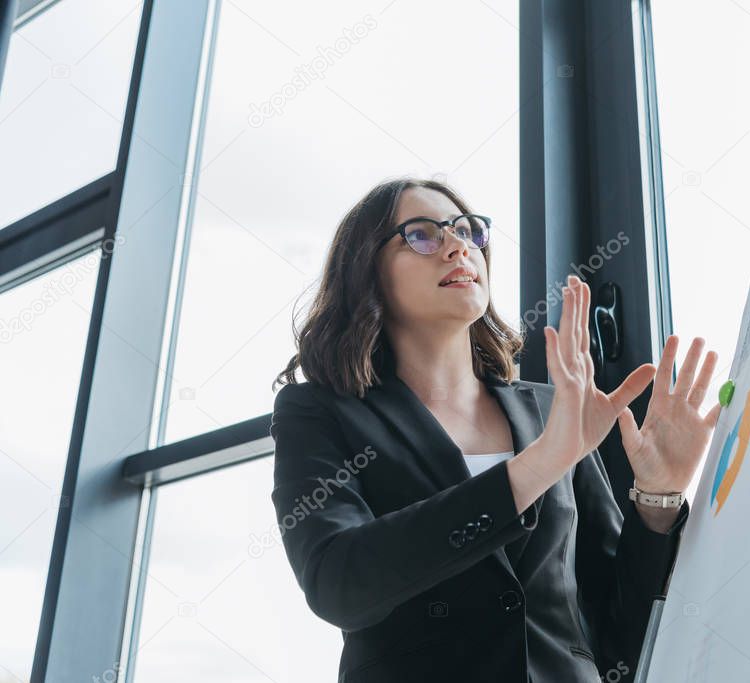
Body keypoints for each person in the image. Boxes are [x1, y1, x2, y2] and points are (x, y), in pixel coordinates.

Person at [269, 176, 721, 682]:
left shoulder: (552, 412)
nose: (458, 246)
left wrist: (656, 501)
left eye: (467, 231)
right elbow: (338, 584)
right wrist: (536, 466)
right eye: (422, 234)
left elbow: (623, 634)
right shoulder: (319, 412)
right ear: (366, 272)